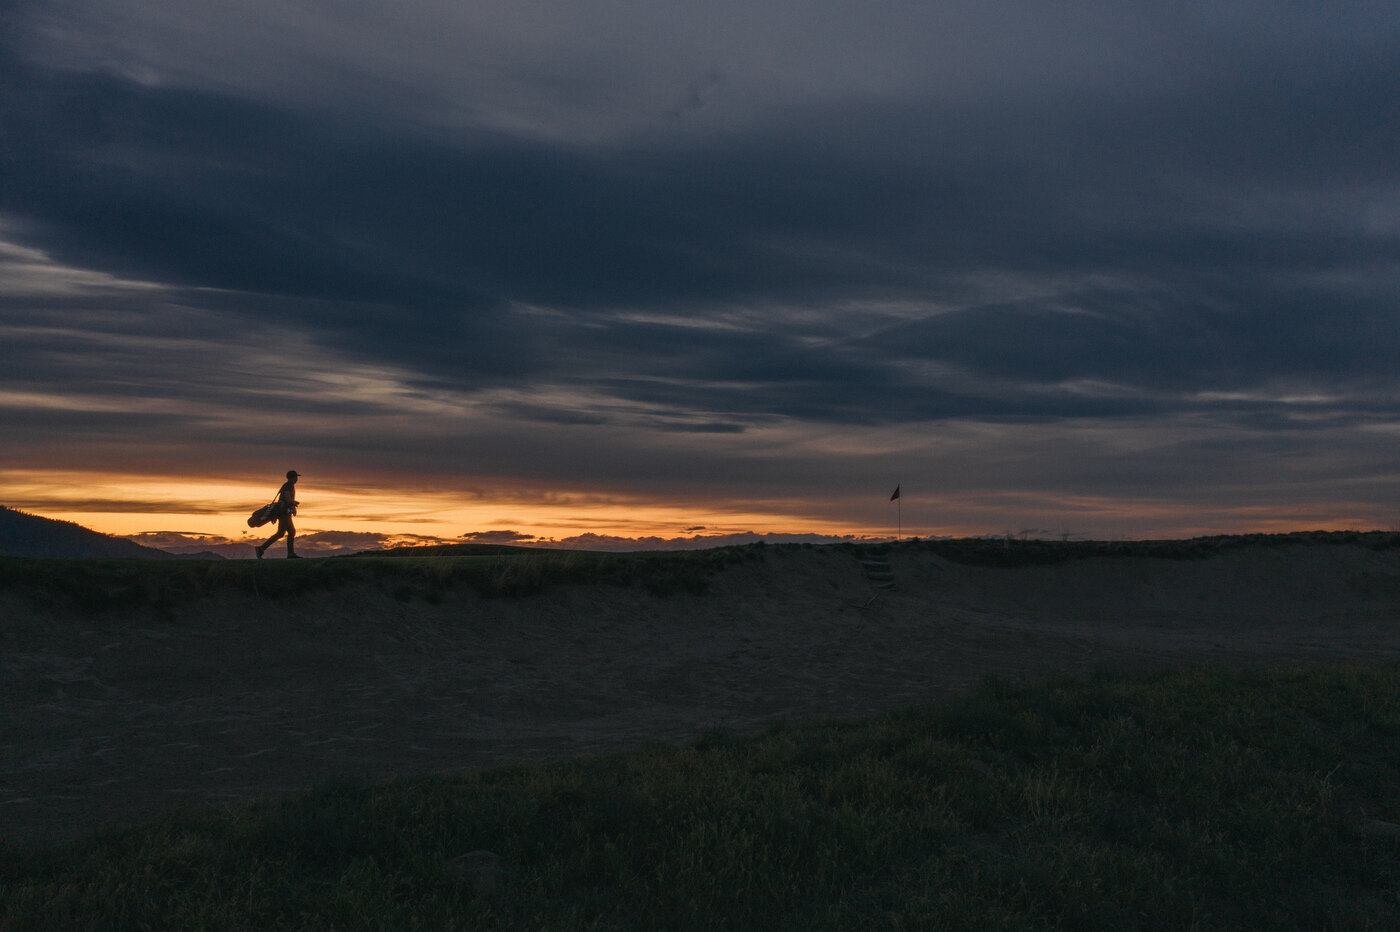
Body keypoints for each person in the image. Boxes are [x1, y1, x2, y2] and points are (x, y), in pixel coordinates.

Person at [255, 470, 302, 559]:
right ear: (293, 477)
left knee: (281, 533)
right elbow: (287, 497)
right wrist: (293, 503)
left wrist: (292, 505)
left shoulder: (286, 485)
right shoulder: (289, 485)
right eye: (296, 477)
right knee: (291, 532)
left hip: (282, 512)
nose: (297, 479)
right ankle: (290, 554)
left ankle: (261, 549)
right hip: (284, 513)